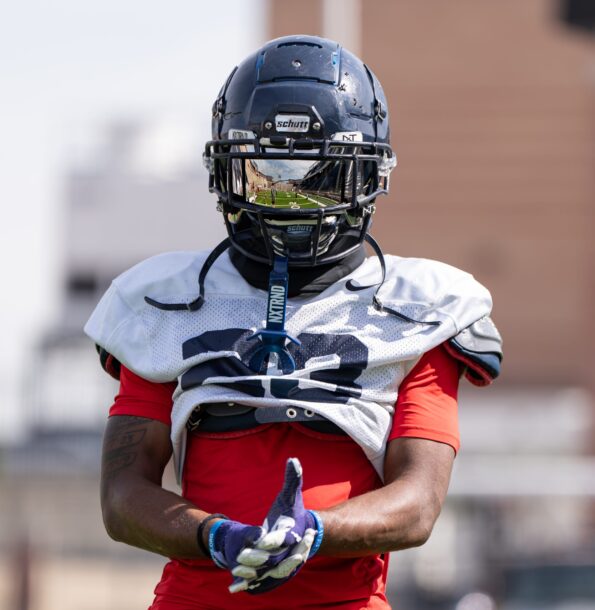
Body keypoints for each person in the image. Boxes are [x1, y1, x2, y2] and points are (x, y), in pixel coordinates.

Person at [85, 35, 502, 610]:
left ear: (370, 176)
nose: (289, 204)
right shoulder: (165, 302)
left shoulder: (424, 308)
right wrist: (215, 535)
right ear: (224, 171)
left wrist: (313, 531)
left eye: (320, 178)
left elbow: (419, 504)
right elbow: (122, 497)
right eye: (265, 175)